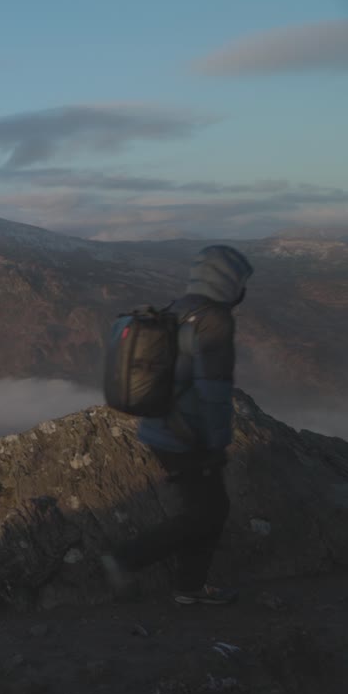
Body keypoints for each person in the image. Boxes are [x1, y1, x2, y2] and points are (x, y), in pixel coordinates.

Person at [102, 245, 254, 605]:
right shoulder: (214, 318)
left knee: (208, 510)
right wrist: (217, 442)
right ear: (228, 281)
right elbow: (214, 390)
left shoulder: (179, 308)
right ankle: (128, 560)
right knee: (206, 512)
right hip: (188, 435)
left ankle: (189, 587)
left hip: (160, 429)